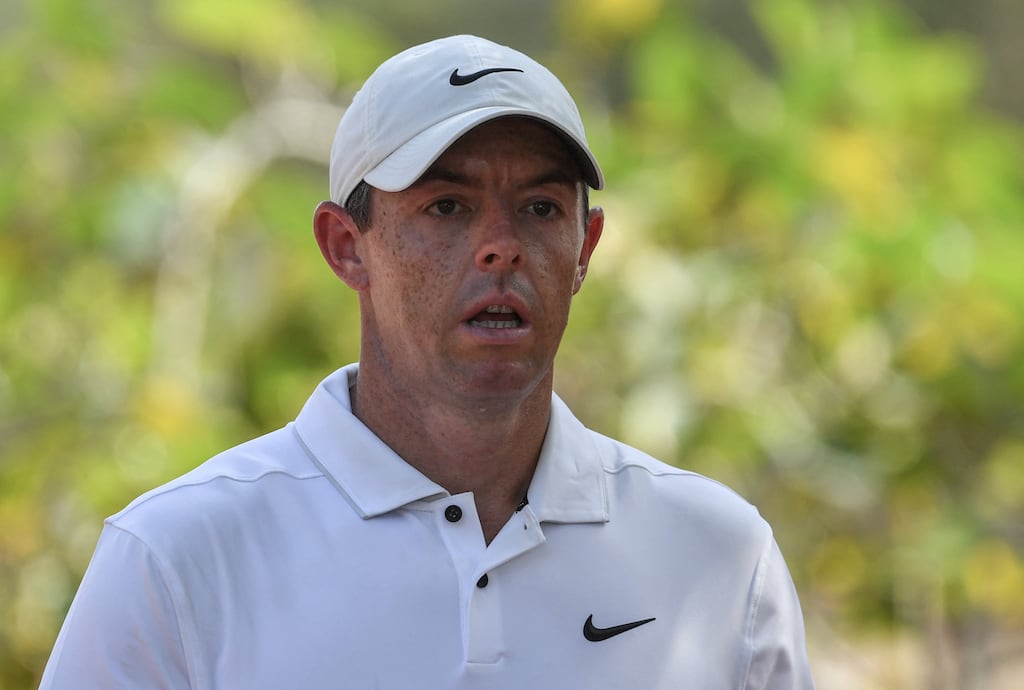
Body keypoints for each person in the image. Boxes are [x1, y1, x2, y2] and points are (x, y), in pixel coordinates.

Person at [40, 35, 815, 689]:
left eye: (541, 208)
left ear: (585, 248)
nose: (500, 244)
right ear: (347, 248)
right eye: (447, 206)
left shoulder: (719, 560)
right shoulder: (178, 560)